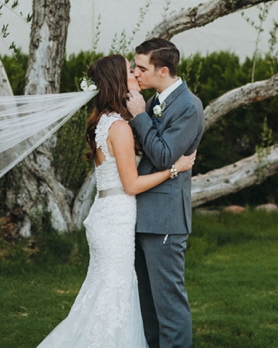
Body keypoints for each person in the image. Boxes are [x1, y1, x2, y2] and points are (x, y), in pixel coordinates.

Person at [37, 54, 196, 348]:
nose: (135, 74)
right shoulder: (120, 127)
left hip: (107, 214)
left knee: (103, 294)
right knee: (113, 297)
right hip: (116, 220)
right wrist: (175, 169)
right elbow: (132, 184)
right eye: (129, 70)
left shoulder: (103, 120)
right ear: (117, 80)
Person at [126, 38, 205, 348]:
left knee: (169, 306)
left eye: (141, 68)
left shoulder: (189, 106)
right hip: (141, 214)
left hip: (166, 220)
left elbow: (162, 156)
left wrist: (139, 117)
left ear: (163, 70)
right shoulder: (152, 102)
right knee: (148, 308)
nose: (135, 72)